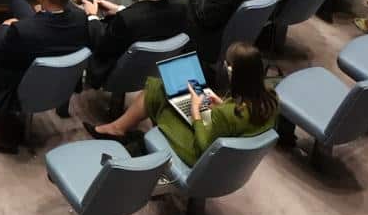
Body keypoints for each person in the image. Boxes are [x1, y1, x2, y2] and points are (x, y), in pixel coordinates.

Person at [88, 41, 278, 160]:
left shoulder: (226, 114)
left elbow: (203, 146)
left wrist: (196, 111)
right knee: (159, 89)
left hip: (197, 152)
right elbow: (240, 118)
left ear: (231, 72)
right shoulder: (271, 98)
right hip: (227, 146)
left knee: (161, 94)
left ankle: (123, 134)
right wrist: (221, 103)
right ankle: (120, 131)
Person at [81, 0, 189, 87]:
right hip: (147, 71)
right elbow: (147, 23)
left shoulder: (126, 20)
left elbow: (102, 45)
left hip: (110, 71)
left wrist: (92, 16)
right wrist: (120, 9)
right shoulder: (180, 10)